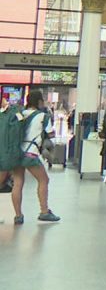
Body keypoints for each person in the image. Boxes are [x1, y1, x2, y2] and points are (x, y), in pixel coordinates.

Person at [10, 90, 59, 224]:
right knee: (44, 180)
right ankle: (44, 211)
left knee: (18, 183)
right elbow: (51, 135)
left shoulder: (19, 114)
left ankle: (18, 216)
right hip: (31, 153)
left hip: (16, 153)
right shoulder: (43, 116)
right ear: (39, 102)